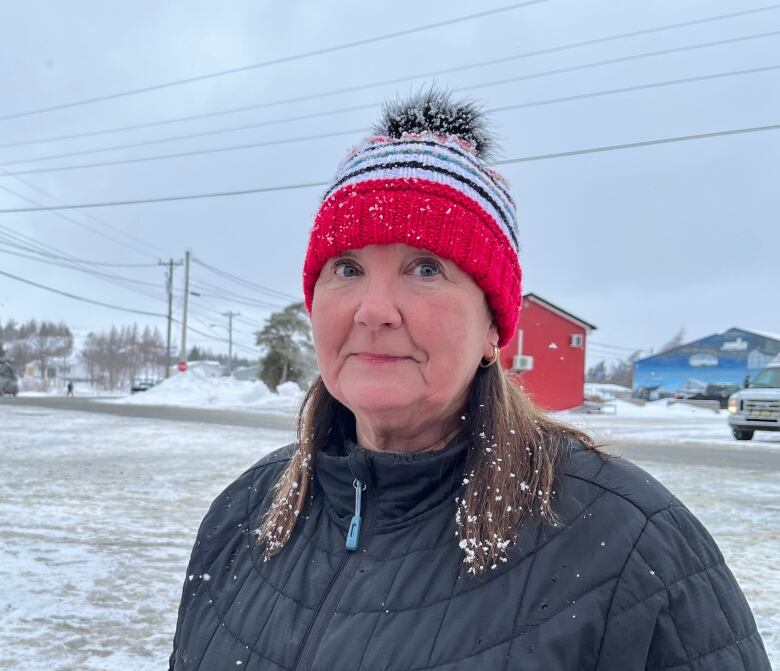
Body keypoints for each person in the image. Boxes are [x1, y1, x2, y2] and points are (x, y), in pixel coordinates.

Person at [169, 90, 769, 670]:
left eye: (425, 268)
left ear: (493, 327)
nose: (373, 309)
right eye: (346, 268)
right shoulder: (242, 516)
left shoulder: (631, 544)